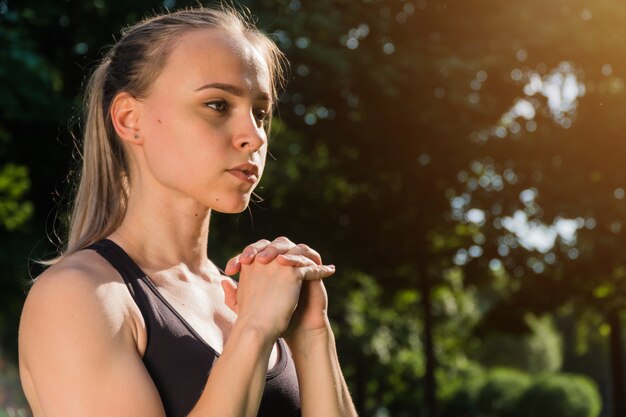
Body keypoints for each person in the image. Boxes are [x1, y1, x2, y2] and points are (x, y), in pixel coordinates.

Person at [18, 6, 358, 417]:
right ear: (130, 119)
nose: (254, 136)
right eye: (217, 105)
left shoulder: (253, 295)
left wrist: (311, 333)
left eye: (261, 113)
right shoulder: (76, 296)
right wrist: (253, 329)